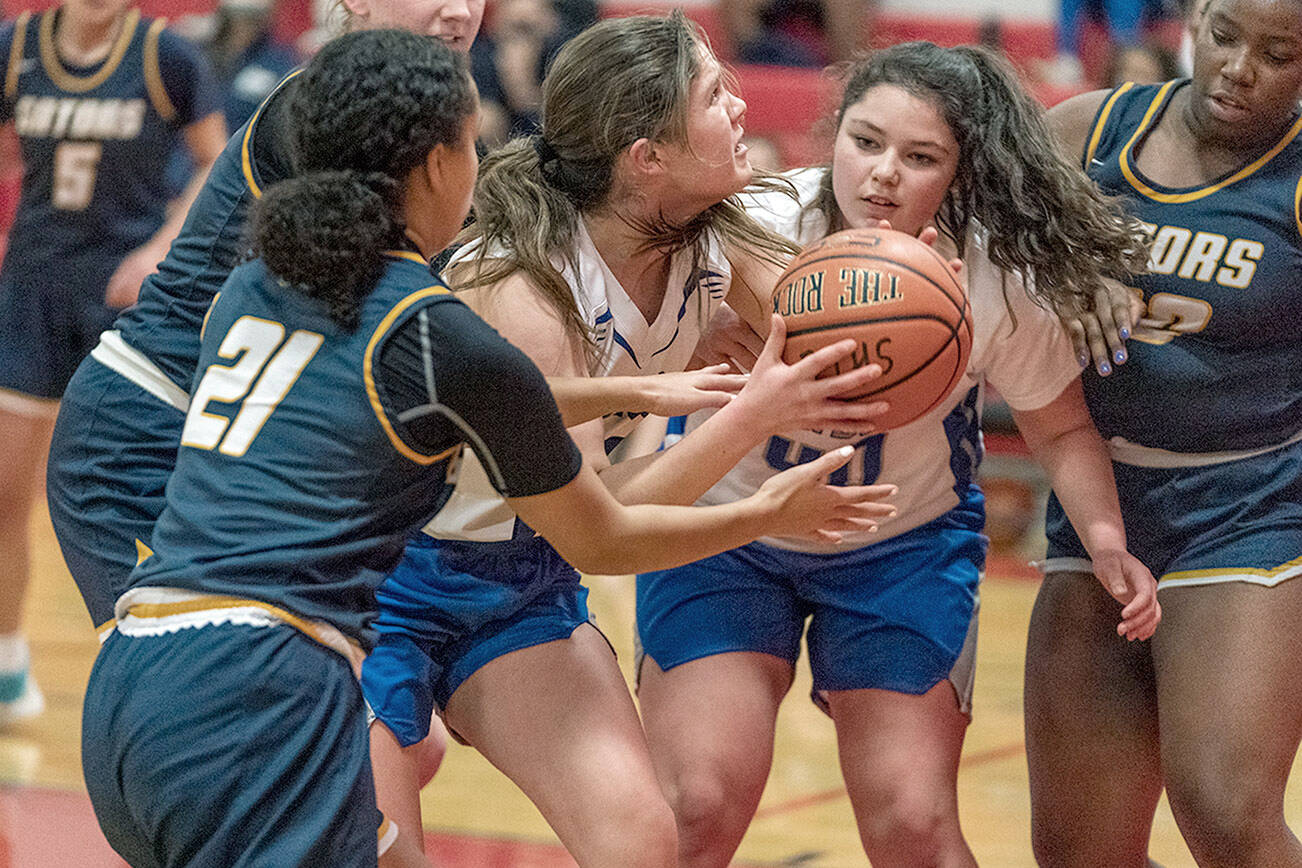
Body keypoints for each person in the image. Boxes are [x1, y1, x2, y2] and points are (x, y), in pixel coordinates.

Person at [78, 29, 888, 868]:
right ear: (435, 164)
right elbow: (600, 532)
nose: (494, 161)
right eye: (473, 141)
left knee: (638, 844)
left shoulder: (269, 283)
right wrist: (763, 506)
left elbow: (452, 400)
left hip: (150, 660)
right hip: (303, 650)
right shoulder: (474, 313)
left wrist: (642, 389)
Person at [359, 13, 899, 865]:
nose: (741, 105)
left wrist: (910, 284)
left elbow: (841, 337)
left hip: (519, 583)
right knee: (382, 859)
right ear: (648, 158)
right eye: (715, 95)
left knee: (642, 847)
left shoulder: (717, 232)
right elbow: (601, 522)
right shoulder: (524, 287)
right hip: (375, 585)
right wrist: (752, 431)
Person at [635, 41, 1163, 867]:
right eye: (865, 141)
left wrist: (1105, 542)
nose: (883, 173)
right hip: (725, 533)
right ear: (832, 134)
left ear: (959, 172)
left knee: (913, 825)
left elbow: (1059, 430)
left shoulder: (993, 277)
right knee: (695, 805)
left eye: (921, 157)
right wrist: (703, 346)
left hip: (899, 547)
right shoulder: (756, 223)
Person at [44, 0, 485, 642]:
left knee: (393, 731)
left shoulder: (413, 118)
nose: (460, 10)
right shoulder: (326, 110)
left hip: (235, 443)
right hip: (139, 431)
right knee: (195, 701)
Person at [1026, 1, 1302, 865]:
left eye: (1280, 53)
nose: (1239, 68)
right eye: (1224, 36)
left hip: (1253, 501)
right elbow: (969, 245)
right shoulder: (1085, 130)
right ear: (1193, 17)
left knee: (1224, 812)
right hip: (1098, 498)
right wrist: (1063, 269)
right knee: (1080, 851)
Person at [0, 0, 225, 722]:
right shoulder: (16, 48)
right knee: (5, 492)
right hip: (31, 290)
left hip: (126, 297)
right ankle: (7, 664)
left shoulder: (167, 59)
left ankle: (177, 662)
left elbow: (216, 167)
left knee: (151, 496)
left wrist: (160, 249)